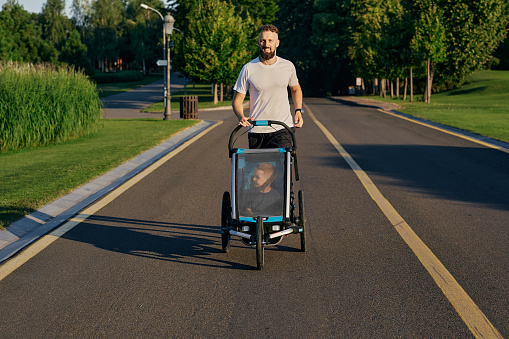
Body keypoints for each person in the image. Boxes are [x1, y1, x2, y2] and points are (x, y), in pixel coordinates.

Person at [232, 24, 303, 149]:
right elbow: (237, 100)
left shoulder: (288, 66)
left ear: (277, 43)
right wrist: (241, 116)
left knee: (282, 166)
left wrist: (298, 110)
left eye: (270, 40)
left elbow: (295, 88)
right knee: (259, 168)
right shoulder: (248, 68)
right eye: (263, 40)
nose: (266, 44)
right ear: (258, 43)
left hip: (283, 127)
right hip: (257, 129)